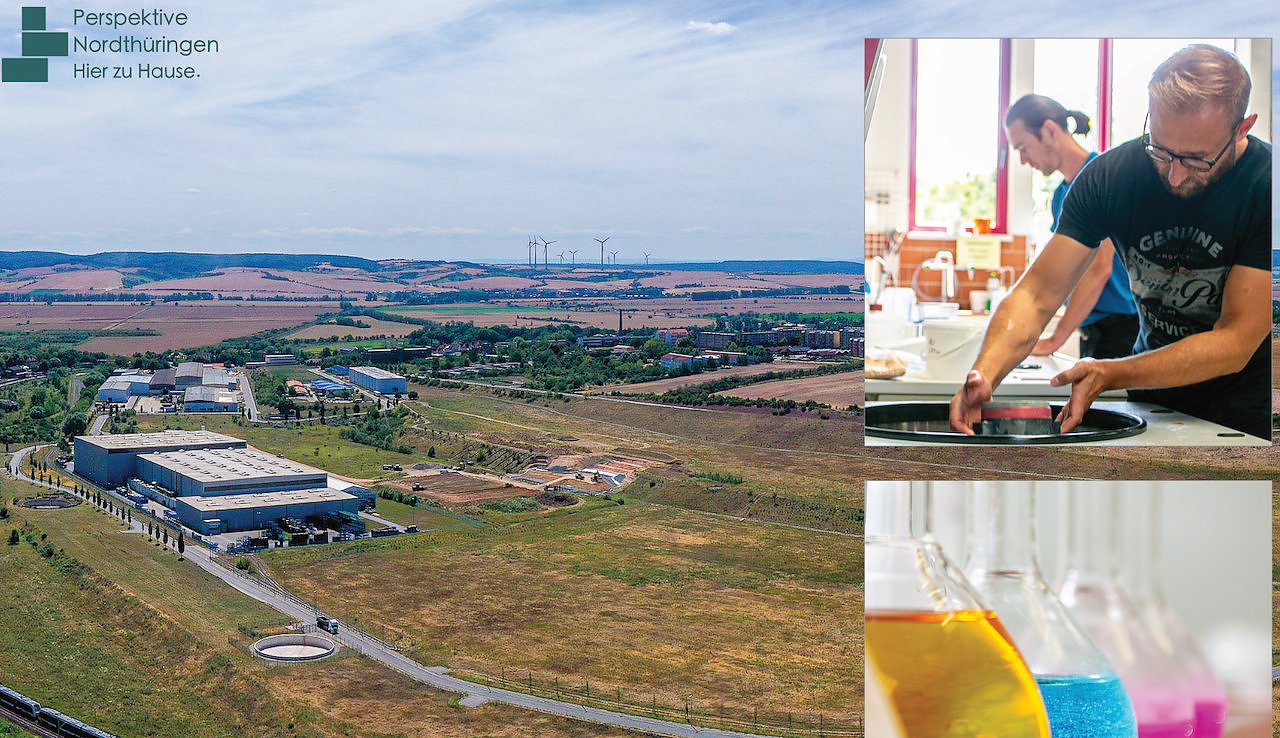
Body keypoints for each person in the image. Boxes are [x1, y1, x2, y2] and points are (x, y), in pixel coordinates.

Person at [951, 45, 1271, 439]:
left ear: (1242, 128)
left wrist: (1113, 371)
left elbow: (1237, 339)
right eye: (1160, 149)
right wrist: (984, 372)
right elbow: (1035, 296)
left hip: (1245, 415)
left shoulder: (1265, 187)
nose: (1173, 175)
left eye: (1195, 159)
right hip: (1150, 403)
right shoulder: (1109, 178)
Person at [1004, 94, 1139, 359]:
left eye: (1023, 148)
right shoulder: (1059, 196)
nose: (1022, 160)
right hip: (1091, 330)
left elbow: (1099, 268)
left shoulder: (1104, 176)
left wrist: (1056, 339)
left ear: (1049, 130)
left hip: (1122, 331)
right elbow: (1062, 272)